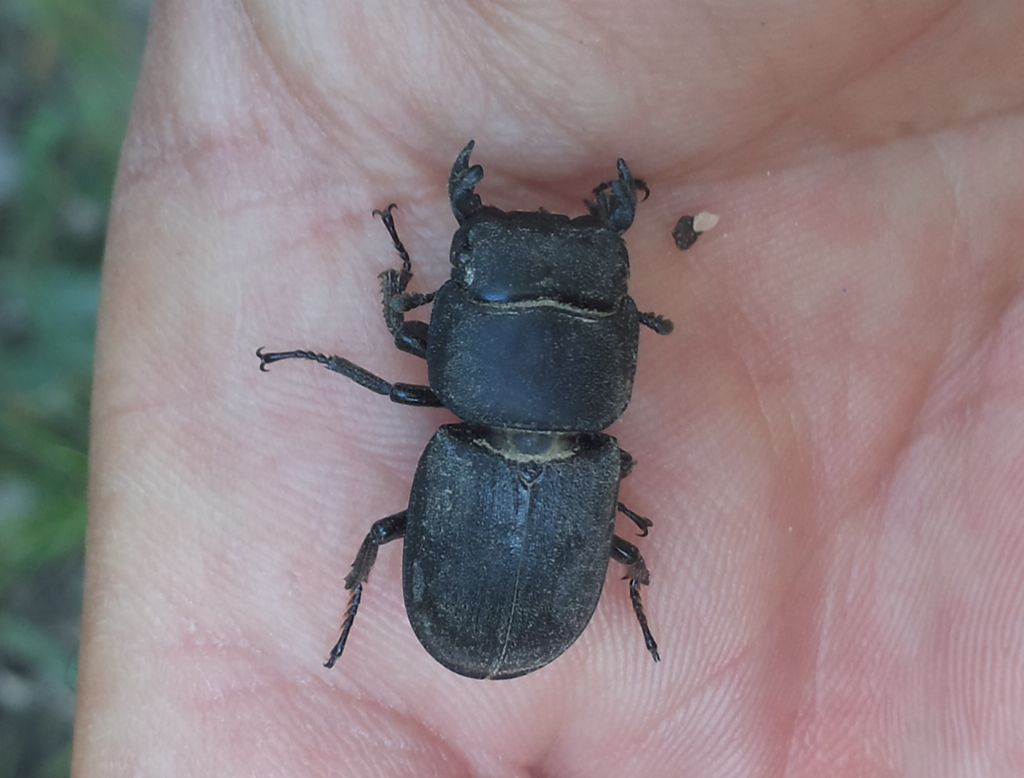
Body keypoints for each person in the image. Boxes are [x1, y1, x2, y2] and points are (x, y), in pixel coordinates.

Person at [73, 2, 1024, 775]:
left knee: (387, 524)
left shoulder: (510, 423)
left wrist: (328, 350)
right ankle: (625, 582)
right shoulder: (599, 445)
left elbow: (397, 343)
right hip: (532, 574)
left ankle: (608, 581)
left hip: (528, 575)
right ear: (619, 343)